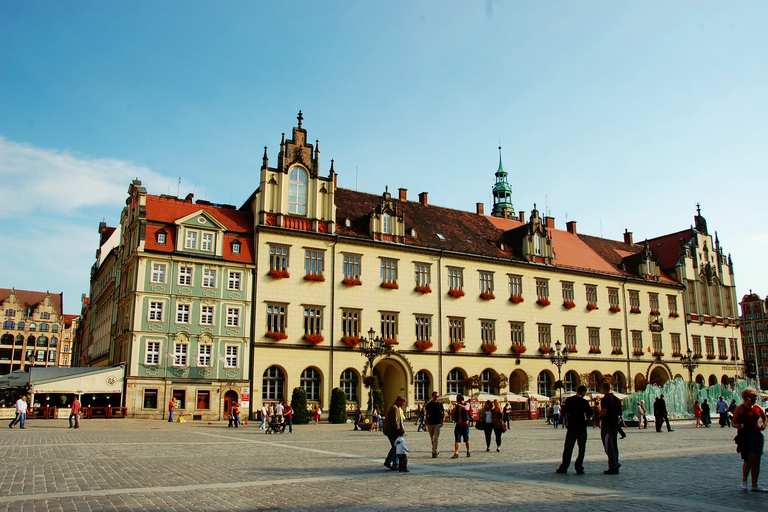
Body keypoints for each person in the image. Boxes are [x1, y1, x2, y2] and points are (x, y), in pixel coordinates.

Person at [732, 387, 768, 492]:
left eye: (755, 399)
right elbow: (733, 422)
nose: (754, 401)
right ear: (746, 398)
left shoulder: (756, 407)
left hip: (757, 435)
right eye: (752, 399)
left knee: (757, 460)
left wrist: (764, 425)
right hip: (746, 436)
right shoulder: (740, 408)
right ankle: (744, 480)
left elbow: (764, 417)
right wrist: (737, 426)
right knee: (749, 458)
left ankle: (755, 485)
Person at [556, 385, 592, 475]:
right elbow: (589, 415)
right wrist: (586, 423)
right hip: (581, 428)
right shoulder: (584, 402)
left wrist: (568, 422)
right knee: (581, 449)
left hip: (572, 427)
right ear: (583, 392)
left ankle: (564, 466)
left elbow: (565, 413)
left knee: (568, 448)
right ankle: (579, 467)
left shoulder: (569, 400)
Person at [599, 382, 622, 474]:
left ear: (603, 389)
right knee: (614, 445)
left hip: (607, 425)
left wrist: (600, 413)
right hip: (615, 425)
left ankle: (613, 466)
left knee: (608, 446)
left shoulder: (605, 399)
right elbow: (620, 412)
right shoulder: (617, 399)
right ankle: (615, 462)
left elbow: (603, 412)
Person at [383, 395, 406, 470]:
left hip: (389, 431)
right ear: (399, 401)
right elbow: (395, 422)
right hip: (392, 432)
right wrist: (399, 431)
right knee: (396, 447)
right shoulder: (395, 408)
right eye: (403, 402)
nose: (404, 404)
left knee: (395, 446)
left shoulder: (392, 405)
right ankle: (391, 463)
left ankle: (393, 463)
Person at [424, 391, 445, 458]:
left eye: (437, 396)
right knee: (432, 438)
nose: (436, 398)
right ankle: (436, 449)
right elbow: (426, 414)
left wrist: (443, 420)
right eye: (435, 396)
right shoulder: (429, 405)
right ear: (432, 396)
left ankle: (434, 452)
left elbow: (443, 412)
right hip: (430, 423)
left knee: (436, 437)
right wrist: (426, 422)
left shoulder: (440, 405)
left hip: (438, 423)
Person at [451, 394, 471, 458]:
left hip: (465, 424)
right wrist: (452, 411)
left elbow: (466, 408)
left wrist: (459, 405)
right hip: (458, 424)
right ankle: (456, 453)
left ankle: (468, 451)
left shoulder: (467, 404)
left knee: (466, 439)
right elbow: (453, 414)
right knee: (457, 439)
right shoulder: (457, 407)